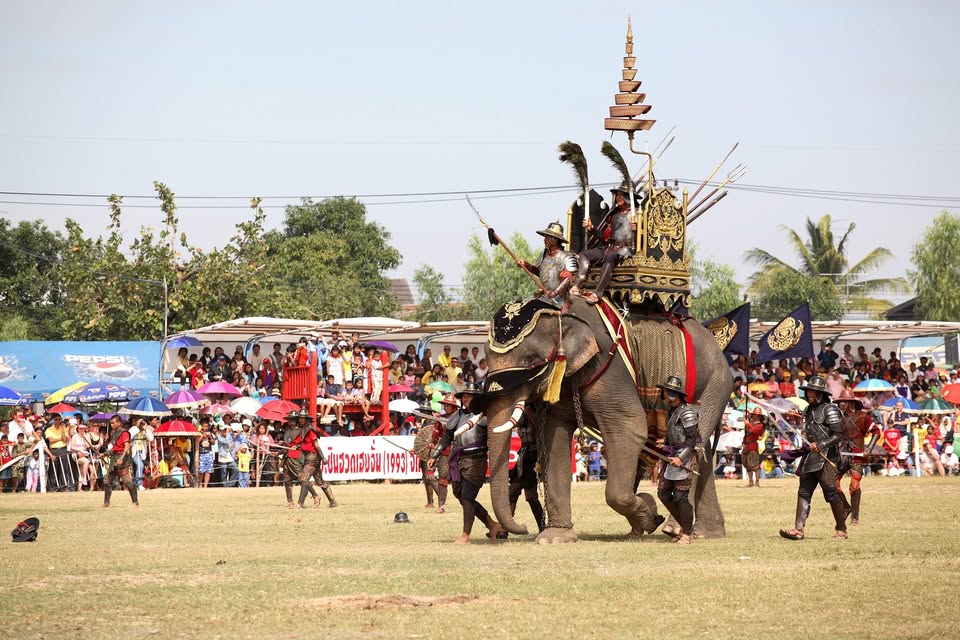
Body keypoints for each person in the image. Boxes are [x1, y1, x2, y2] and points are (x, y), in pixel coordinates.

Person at [779, 375, 848, 541]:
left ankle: (842, 529)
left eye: (813, 391)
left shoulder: (830, 409)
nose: (809, 393)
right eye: (808, 390)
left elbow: (838, 434)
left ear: (820, 393)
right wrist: (796, 415)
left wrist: (821, 444)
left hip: (827, 458)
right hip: (811, 457)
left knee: (831, 493)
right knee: (803, 491)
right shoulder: (809, 409)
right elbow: (811, 425)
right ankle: (798, 530)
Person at [428, 390, 502, 544]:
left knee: (468, 496)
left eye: (470, 396)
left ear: (476, 398)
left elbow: (495, 438)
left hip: (477, 460)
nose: (466, 399)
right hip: (459, 461)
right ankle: (492, 524)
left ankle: (465, 535)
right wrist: (434, 456)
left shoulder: (483, 416)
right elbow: (446, 438)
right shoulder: (457, 417)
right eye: (464, 396)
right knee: (462, 497)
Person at [572, 184, 637, 304]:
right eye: (617, 195)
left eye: (621, 195)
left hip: (625, 249)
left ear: (629, 197)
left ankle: (598, 293)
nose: (618, 197)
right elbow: (605, 239)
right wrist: (592, 228)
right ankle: (577, 285)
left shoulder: (637, 214)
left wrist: (637, 229)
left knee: (610, 255)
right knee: (585, 255)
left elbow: (643, 237)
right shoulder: (613, 214)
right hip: (609, 247)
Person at [656, 376, 699, 545]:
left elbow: (692, 439)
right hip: (672, 455)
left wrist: (681, 458)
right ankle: (684, 527)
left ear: (674, 394)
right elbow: (676, 433)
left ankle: (687, 533)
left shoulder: (687, 412)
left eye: (666, 392)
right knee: (663, 493)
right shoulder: (672, 411)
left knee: (681, 496)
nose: (663, 395)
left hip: (684, 457)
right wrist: (665, 442)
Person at [834, 389, 881, 526]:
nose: (841, 404)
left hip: (857, 455)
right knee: (832, 484)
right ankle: (846, 507)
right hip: (841, 455)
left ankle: (855, 517)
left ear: (850, 402)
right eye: (840, 402)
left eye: (843, 401)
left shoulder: (863, 416)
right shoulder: (836, 417)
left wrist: (869, 448)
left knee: (854, 487)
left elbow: (876, 432)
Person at [516, 221, 578, 304]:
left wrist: (554, 293)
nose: (544, 240)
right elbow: (539, 272)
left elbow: (567, 278)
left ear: (554, 239)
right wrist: (526, 265)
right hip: (544, 295)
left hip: (559, 299)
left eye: (546, 238)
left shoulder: (567, 257)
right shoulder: (543, 255)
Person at [507, 408, 545, 533]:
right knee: (529, 496)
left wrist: (540, 461)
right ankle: (505, 528)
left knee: (517, 491)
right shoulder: (521, 416)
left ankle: (504, 528)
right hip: (523, 457)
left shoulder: (536, 417)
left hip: (534, 458)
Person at [296, 409, 337, 508]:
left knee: (304, 478)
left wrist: (323, 457)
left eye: (303, 418)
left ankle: (300, 504)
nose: (301, 420)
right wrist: (298, 447)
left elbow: (316, 445)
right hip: (309, 456)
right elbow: (305, 445)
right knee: (320, 481)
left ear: (306, 419)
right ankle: (333, 502)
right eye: (300, 418)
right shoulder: (303, 429)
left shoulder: (310, 429)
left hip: (313, 457)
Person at [102, 416, 139, 508]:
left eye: (113, 423)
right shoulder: (113, 433)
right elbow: (114, 448)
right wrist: (104, 454)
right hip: (114, 459)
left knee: (127, 481)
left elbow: (126, 447)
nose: (112, 425)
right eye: (111, 423)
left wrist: (121, 458)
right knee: (107, 480)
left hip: (123, 459)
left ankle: (135, 502)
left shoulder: (124, 433)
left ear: (119, 423)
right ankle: (106, 503)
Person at [742, 406, 766, 488]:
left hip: (753, 446)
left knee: (755, 465)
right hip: (747, 445)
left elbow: (754, 431)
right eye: (754, 414)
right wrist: (743, 442)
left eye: (756, 414)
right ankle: (750, 482)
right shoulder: (750, 423)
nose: (754, 416)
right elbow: (747, 434)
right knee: (747, 465)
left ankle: (757, 482)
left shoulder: (760, 425)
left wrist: (748, 424)